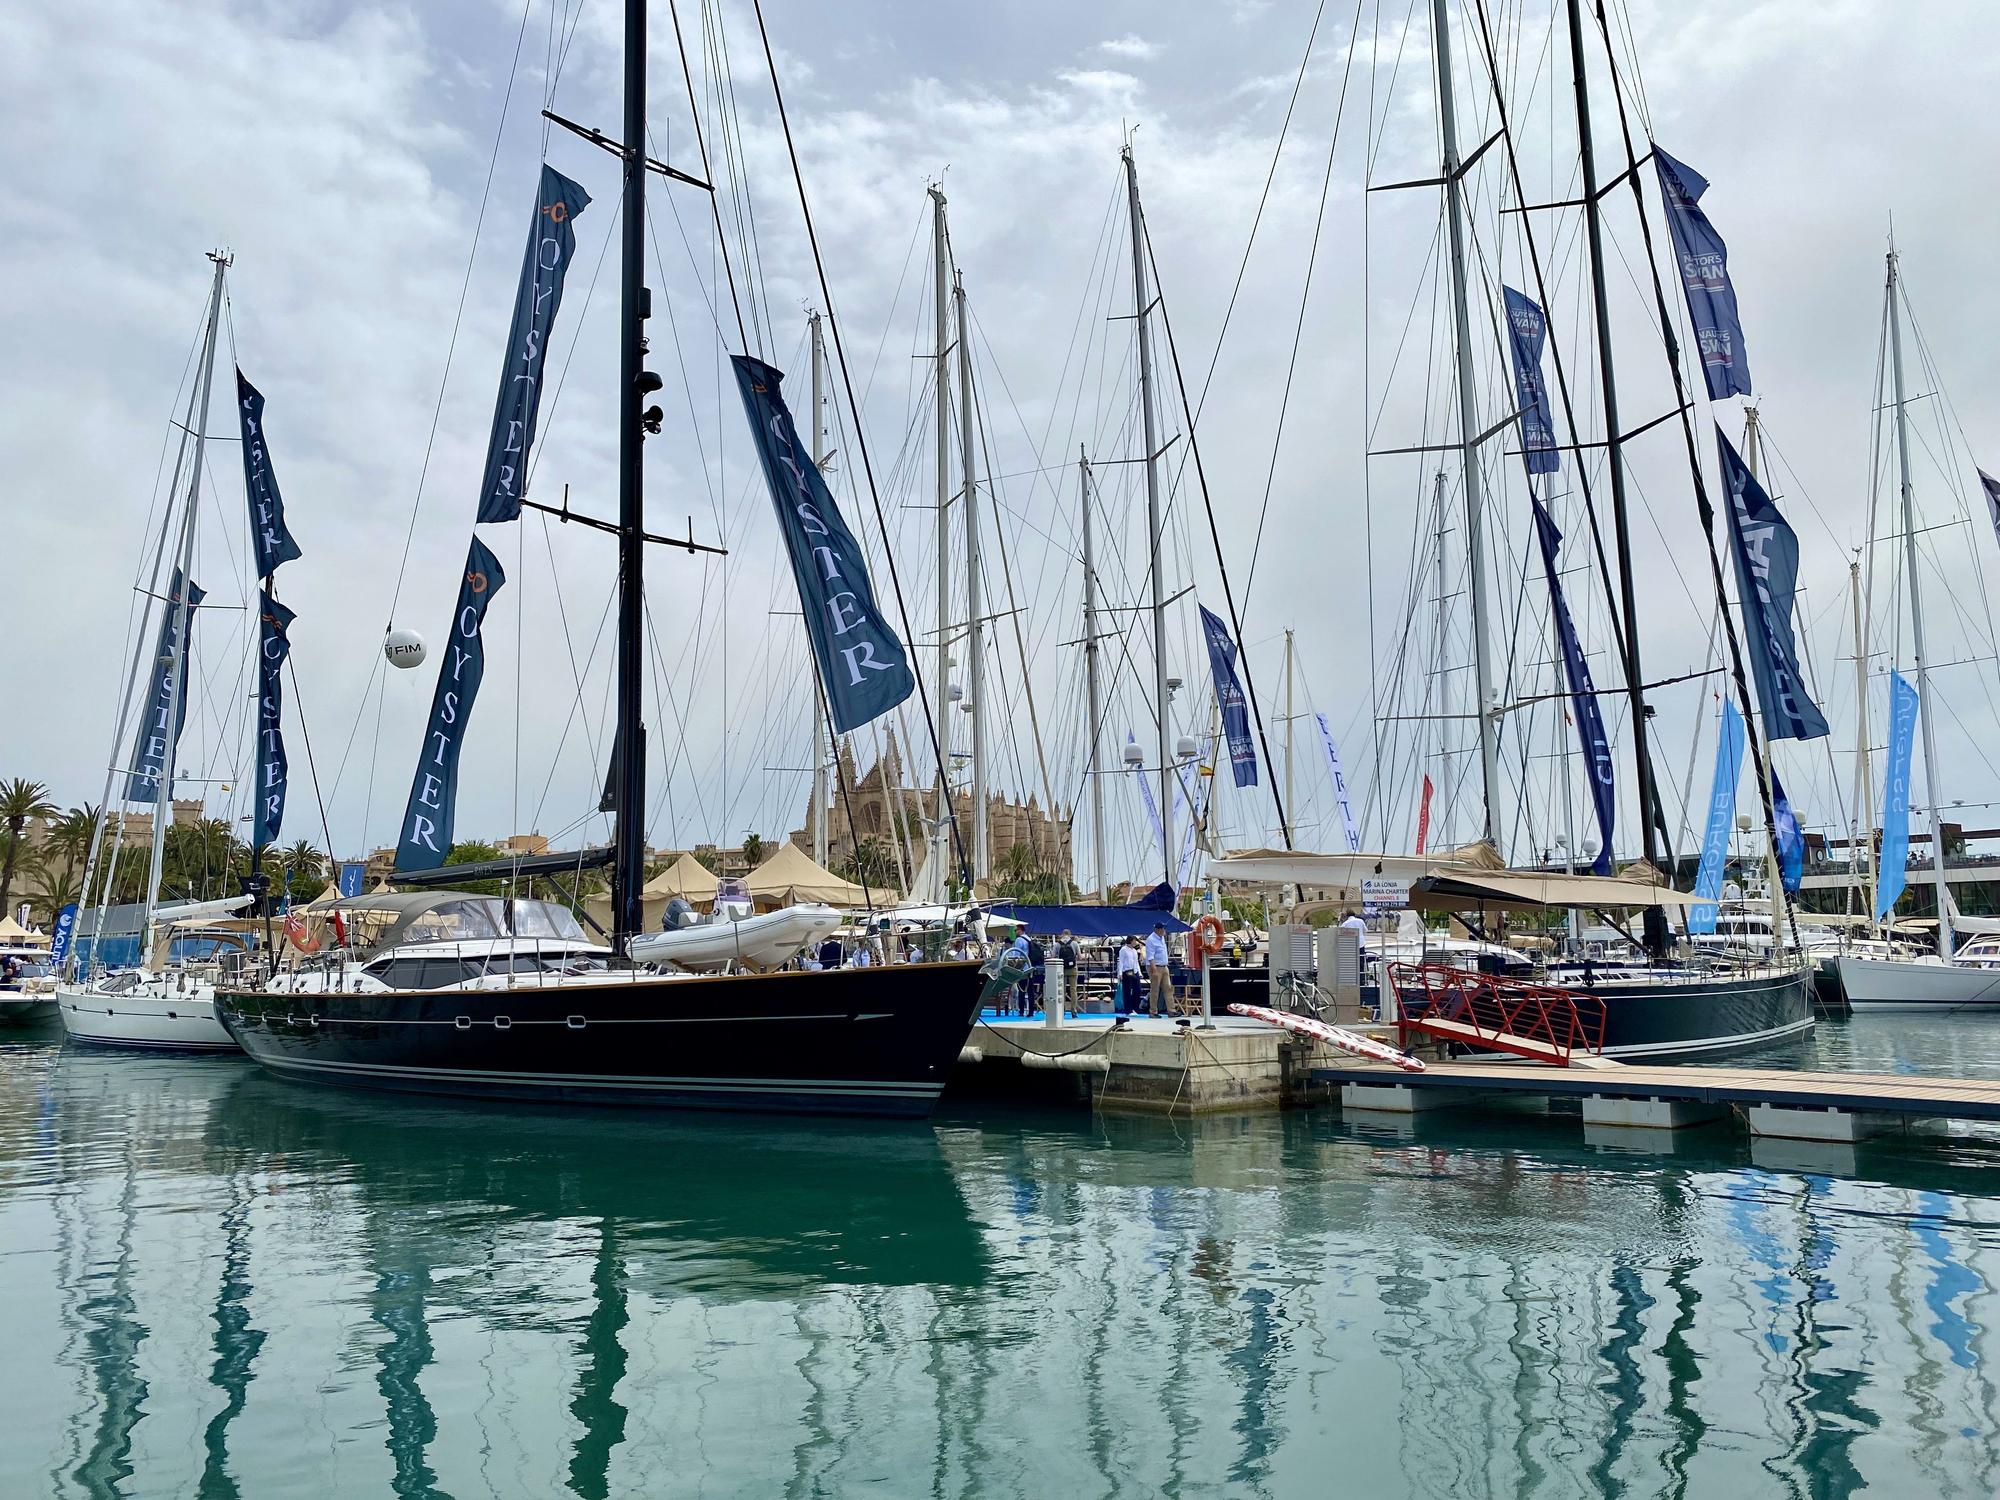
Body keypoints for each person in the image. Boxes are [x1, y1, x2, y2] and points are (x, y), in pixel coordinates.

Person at [1144, 921, 1173, 1016]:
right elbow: (1150, 956)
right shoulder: (1151, 939)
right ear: (1157, 930)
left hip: (1164, 966)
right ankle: (1153, 1011)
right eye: (1162, 929)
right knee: (1155, 989)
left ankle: (1171, 1010)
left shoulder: (1162, 938)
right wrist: (1154, 970)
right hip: (1155, 967)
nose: (1164, 930)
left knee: (1168, 988)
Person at [1115, 935, 1144, 1014]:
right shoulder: (1123, 950)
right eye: (1134, 941)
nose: (1136, 942)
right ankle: (1128, 1009)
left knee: (1137, 990)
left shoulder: (1134, 950)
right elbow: (1121, 961)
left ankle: (1135, 1007)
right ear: (1130, 941)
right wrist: (1120, 973)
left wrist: (1139, 972)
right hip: (1127, 970)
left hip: (1134, 971)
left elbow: (1136, 962)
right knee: (1127, 990)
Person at [1023, 932, 1047, 1016]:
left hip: (1024, 969)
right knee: (1030, 991)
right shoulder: (1030, 942)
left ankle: (1021, 1011)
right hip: (1032, 968)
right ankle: (1031, 1011)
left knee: (1022, 990)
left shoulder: (1020, 940)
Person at [1055, 929, 1079, 1010]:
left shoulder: (1057, 944)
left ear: (1062, 934)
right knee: (1073, 990)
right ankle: (1074, 1010)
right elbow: (1080, 957)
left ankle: (1062, 1010)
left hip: (1061, 969)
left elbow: (1053, 956)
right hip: (1073, 969)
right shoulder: (1075, 943)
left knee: (1061, 990)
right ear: (1070, 934)